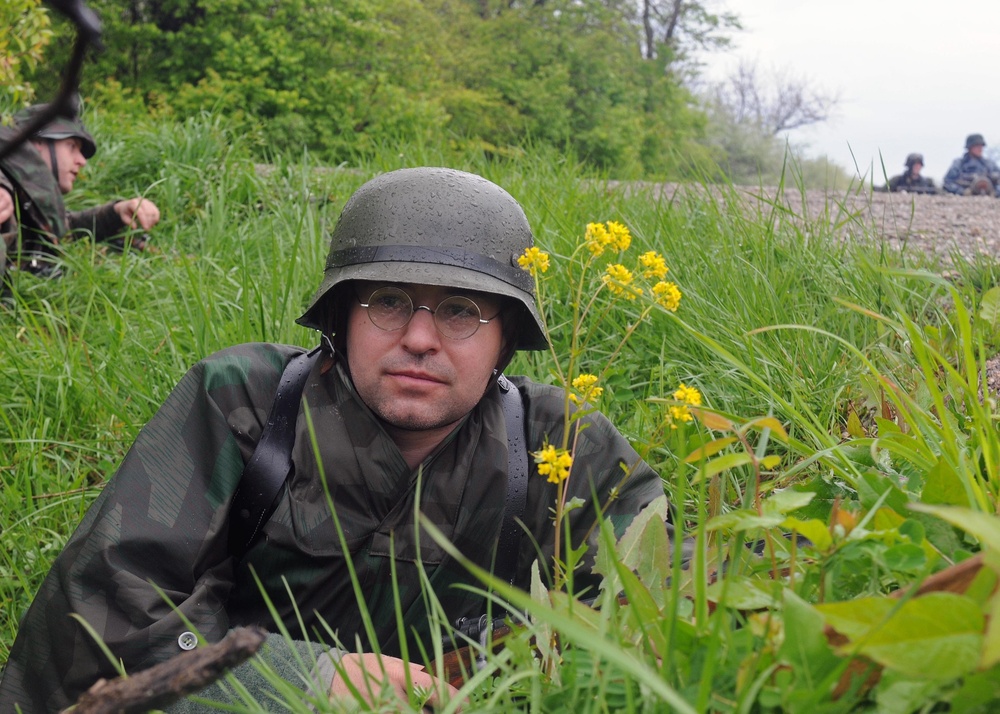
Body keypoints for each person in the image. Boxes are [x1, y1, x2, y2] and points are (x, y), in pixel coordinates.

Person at [0, 167, 667, 712]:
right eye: (387, 300)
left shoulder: (560, 441)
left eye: (461, 310)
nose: (419, 338)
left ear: (506, 340)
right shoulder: (244, 402)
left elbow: (675, 593)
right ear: (341, 315)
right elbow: (105, 610)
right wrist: (310, 679)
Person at [0, 98, 161, 286]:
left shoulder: (27, 205)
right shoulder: (5, 194)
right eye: (72, 147)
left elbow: (65, 229)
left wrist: (116, 213)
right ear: (36, 143)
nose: (82, 161)